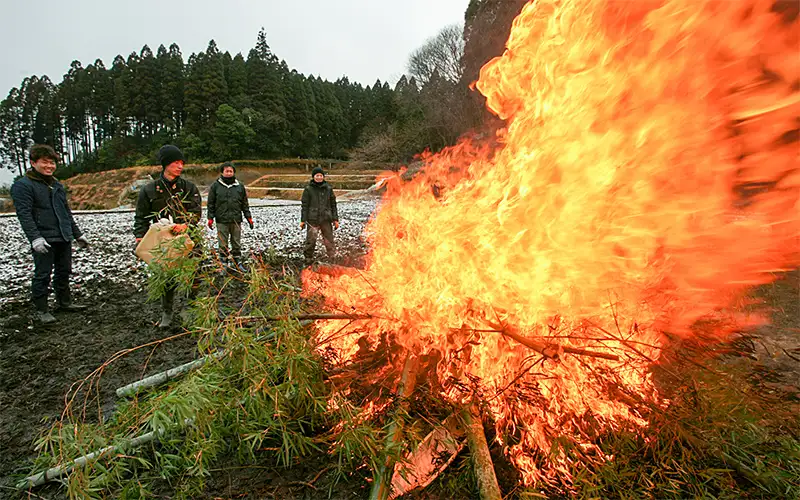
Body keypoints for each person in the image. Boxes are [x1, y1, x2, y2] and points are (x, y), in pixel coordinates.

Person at [11, 144, 90, 324]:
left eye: (52, 163)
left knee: (64, 271)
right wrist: (35, 238)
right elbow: (24, 215)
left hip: (63, 235)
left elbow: (66, 213)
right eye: (45, 163)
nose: (49, 166)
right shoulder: (23, 186)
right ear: (33, 163)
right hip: (44, 238)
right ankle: (42, 309)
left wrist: (77, 234)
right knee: (43, 273)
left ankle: (64, 302)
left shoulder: (56, 185)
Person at [133, 145, 202, 328]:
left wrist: (186, 224)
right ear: (165, 165)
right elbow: (141, 217)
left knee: (193, 275)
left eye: (181, 163)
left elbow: (196, 212)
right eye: (175, 163)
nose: (180, 166)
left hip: (188, 238)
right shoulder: (149, 190)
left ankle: (189, 307)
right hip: (164, 242)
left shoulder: (188, 187)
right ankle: (167, 311)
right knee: (166, 276)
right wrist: (140, 239)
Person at [207, 162, 253, 270]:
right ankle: (224, 263)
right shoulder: (215, 186)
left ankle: (237, 261)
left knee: (236, 242)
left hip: (236, 219)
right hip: (221, 219)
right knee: (222, 242)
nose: (229, 173)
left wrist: (249, 217)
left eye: (231, 171)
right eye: (226, 171)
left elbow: (244, 203)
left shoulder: (239, 186)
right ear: (222, 172)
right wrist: (210, 218)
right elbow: (211, 203)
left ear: (233, 172)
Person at [300, 166, 339, 265]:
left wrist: (335, 219)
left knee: (329, 239)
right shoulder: (308, 189)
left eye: (321, 175)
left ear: (323, 177)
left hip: (326, 219)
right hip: (312, 219)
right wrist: (303, 220)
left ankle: (332, 256)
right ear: (313, 177)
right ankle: (308, 258)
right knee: (311, 240)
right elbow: (304, 206)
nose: (319, 177)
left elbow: (333, 205)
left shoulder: (328, 189)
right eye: (317, 175)